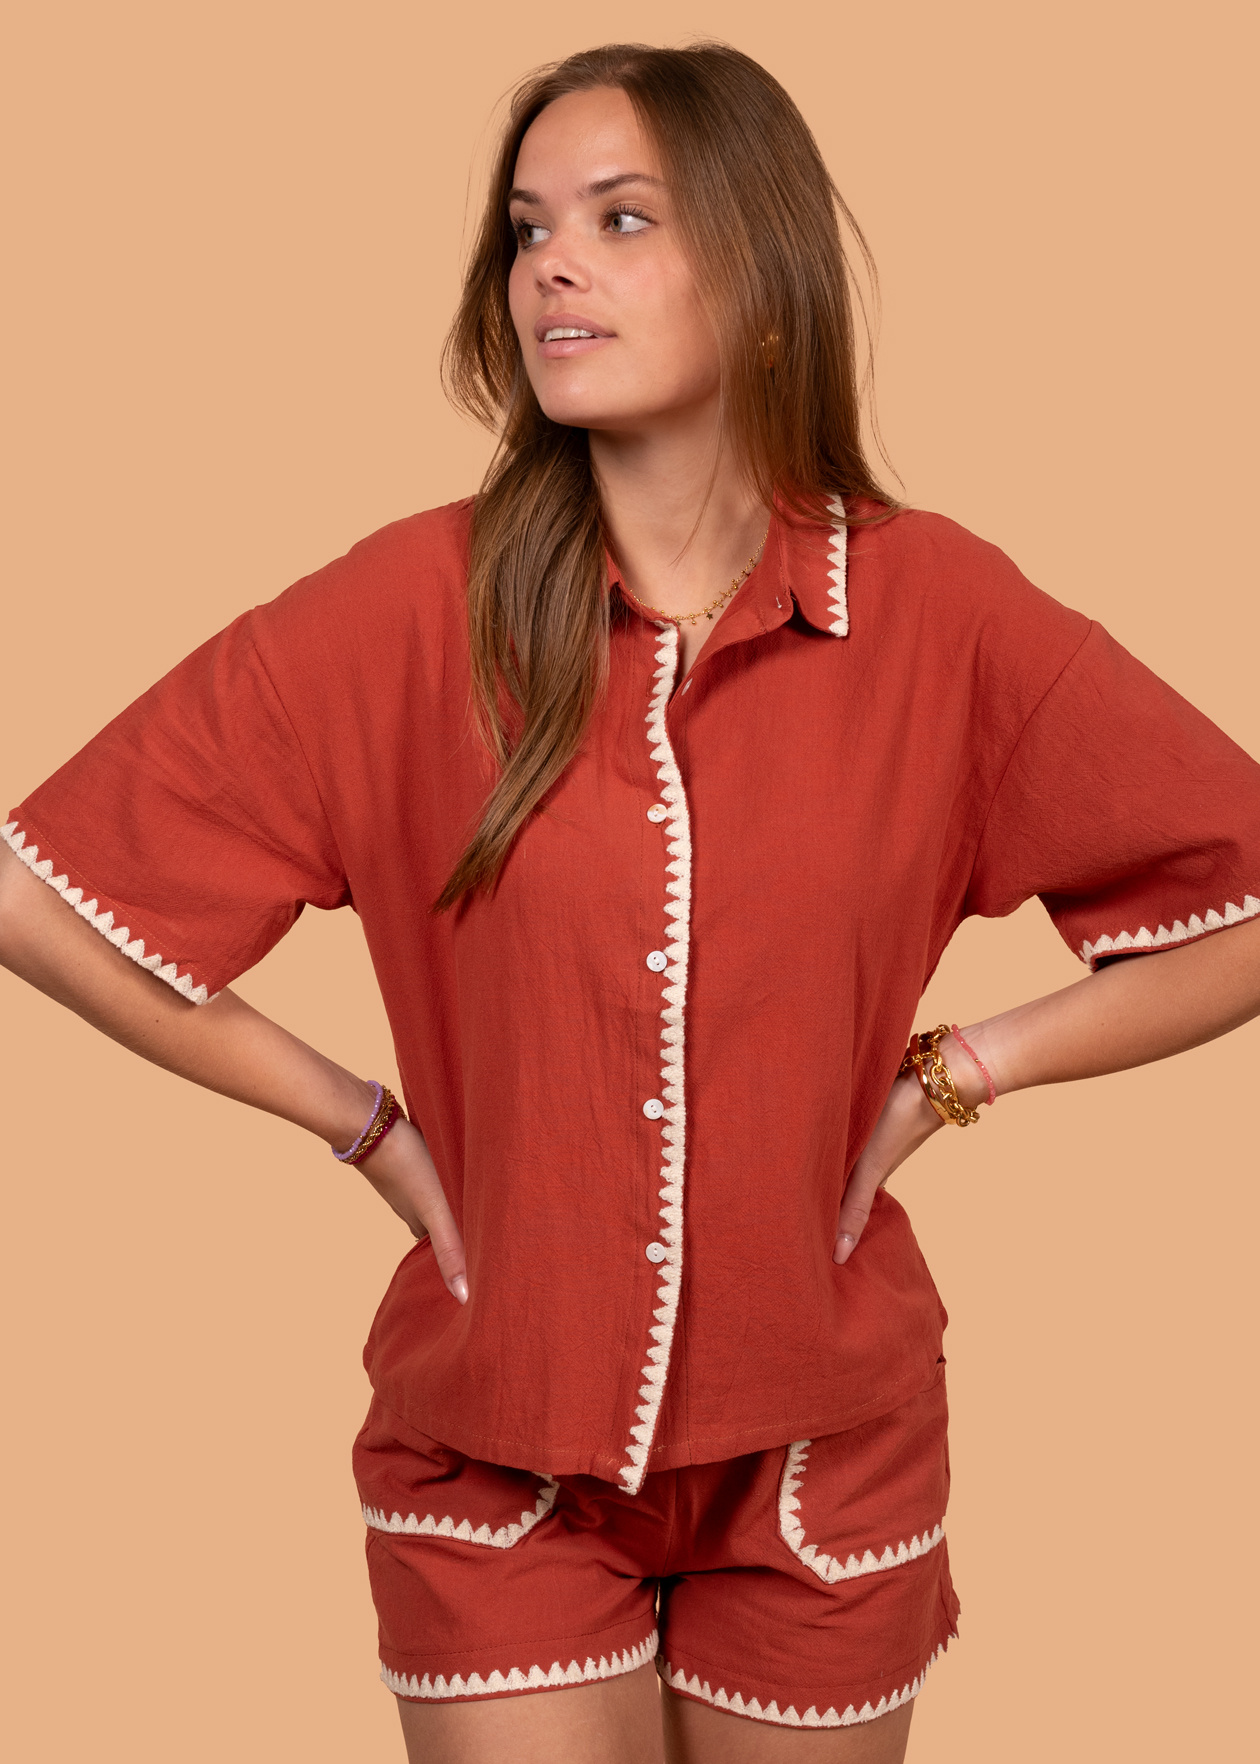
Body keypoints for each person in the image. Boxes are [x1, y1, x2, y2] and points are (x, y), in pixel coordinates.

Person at [2, 38, 1259, 1764]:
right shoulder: (408, 609)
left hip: (820, 1445)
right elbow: (43, 894)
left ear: (760, 272)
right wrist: (361, 1123)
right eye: (528, 230)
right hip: (492, 1437)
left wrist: (960, 1072)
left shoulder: (942, 616)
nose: (552, 268)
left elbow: (1237, 894)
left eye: (618, 218)